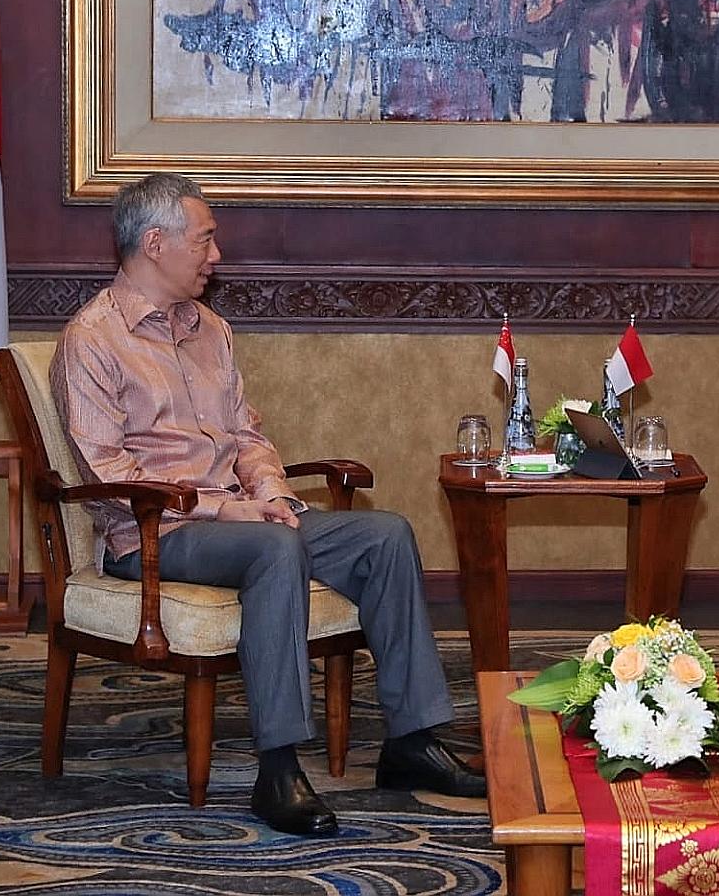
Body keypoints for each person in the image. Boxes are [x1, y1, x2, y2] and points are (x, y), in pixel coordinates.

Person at [51, 172, 485, 837]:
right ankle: (277, 768)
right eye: (207, 239)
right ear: (157, 243)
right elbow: (106, 471)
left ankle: (412, 742)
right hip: (154, 533)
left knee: (386, 535)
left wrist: (273, 496)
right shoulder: (93, 339)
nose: (216, 255)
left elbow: (247, 436)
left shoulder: (211, 331)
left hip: (242, 519)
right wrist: (227, 511)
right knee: (274, 547)